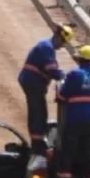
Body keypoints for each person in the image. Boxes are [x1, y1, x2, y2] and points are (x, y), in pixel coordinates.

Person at [56, 44, 90, 178]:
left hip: (75, 119)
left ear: (80, 60)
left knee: (68, 151)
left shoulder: (75, 75)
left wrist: (59, 92)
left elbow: (62, 96)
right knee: (88, 152)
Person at [17, 23, 74, 154]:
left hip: (33, 83)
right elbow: (52, 69)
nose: (62, 46)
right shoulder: (46, 47)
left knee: (39, 112)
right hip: (33, 82)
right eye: (63, 42)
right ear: (59, 37)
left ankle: (38, 141)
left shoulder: (47, 47)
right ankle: (37, 145)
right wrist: (65, 76)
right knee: (38, 113)